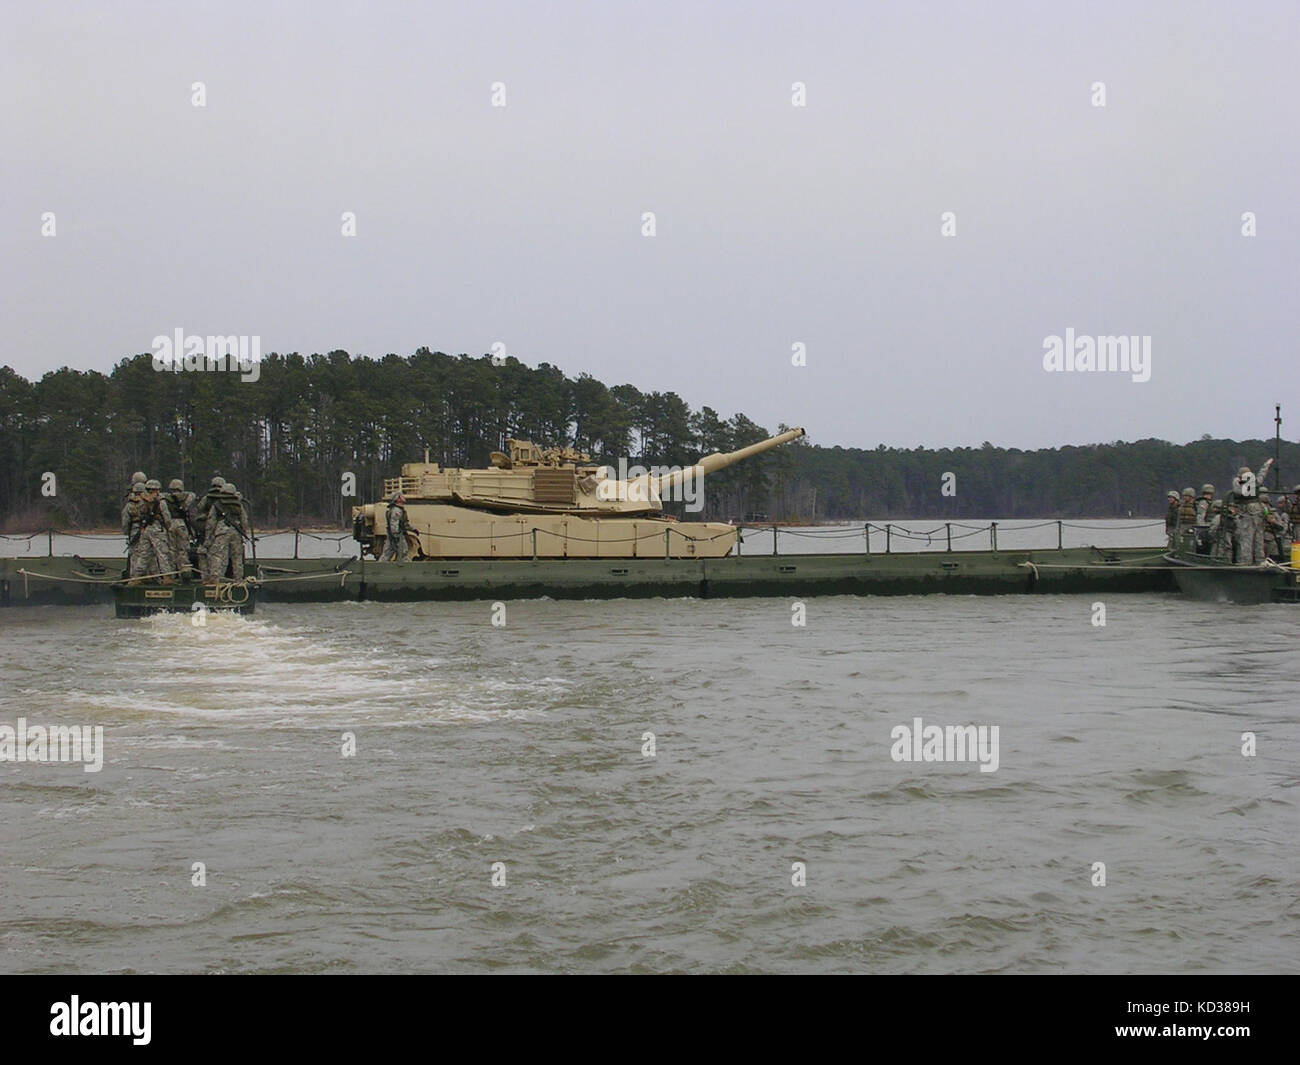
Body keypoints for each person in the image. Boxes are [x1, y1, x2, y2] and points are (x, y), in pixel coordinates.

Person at [203, 483, 248, 582]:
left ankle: (216, 579)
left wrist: (208, 537)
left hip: (221, 531)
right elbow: (244, 520)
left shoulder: (217, 504)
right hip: (236, 531)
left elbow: (211, 522)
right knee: (237, 556)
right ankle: (238, 579)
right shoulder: (238, 504)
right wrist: (244, 532)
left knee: (218, 555)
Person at [136, 479, 174, 578]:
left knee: (144, 554)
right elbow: (167, 517)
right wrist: (168, 527)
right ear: (157, 490)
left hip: (145, 529)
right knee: (162, 553)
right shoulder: (160, 501)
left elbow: (140, 515)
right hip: (158, 529)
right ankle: (167, 577)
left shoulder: (141, 501)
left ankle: (136, 577)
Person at [165, 479, 197, 578]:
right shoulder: (187, 497)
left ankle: (171, 574)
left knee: (171, 550)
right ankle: (185, 573)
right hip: (182, 524)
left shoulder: (166, 498)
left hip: (170, 524)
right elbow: (192, 495)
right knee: (183, 550)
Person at [379, 492, 414, 562]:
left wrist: (413, 529)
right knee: (403, 551)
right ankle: (405, 568)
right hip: (397, 535)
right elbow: (394, 524)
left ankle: (379, 568)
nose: (404, 497)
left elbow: (405, 524)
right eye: (401, 496)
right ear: (398, 499)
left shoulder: (397, 509)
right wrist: (396, 536)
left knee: (387, 553)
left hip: (392, 536)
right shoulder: (397, 511)